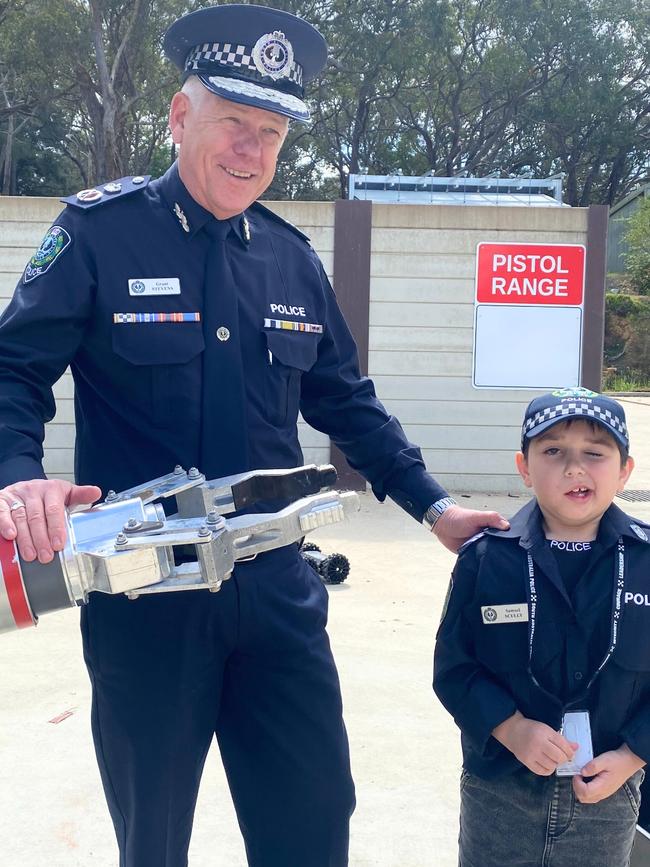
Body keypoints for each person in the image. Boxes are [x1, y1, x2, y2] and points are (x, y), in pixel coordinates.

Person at [0, 5, 507, 866]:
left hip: (277, 594)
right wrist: (18, 474)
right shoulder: (97, 233)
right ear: (178, 115)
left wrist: (436, 505)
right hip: (145, 599)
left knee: (313, 818)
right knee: (152, 837)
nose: (251, 149)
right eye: (234, 120)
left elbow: (347, 400)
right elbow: (12, 371)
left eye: (271, 132)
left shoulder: (290, 258)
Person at [434, 387, 650, 867]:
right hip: (499, 792)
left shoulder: (646, 562)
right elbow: (454, 669)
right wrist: (510, 728)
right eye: (553, 452)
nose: (574, 468)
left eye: (595, 454)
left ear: (624, 471)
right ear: (525, 467)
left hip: (607, 791)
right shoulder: (488, 558)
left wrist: (633, 757)